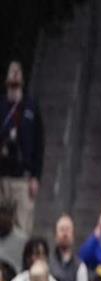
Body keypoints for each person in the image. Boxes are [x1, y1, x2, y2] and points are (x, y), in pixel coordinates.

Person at [0, 61, 44, 235]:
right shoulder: (1, 105)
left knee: (21, 231)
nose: (15, 73)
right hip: (1, 176)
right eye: (12, 70)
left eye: (18, 71)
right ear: (6, 78)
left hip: (23, 179)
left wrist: (36, 176)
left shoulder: (31, 107)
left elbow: (39, 144)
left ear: (23, 79)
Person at [50, 214, 88, 281]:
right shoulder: (47, 263)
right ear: (55, 235)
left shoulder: (80, 267)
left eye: (67, 229)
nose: (65, 234)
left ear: (73, 235)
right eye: (61, 229)